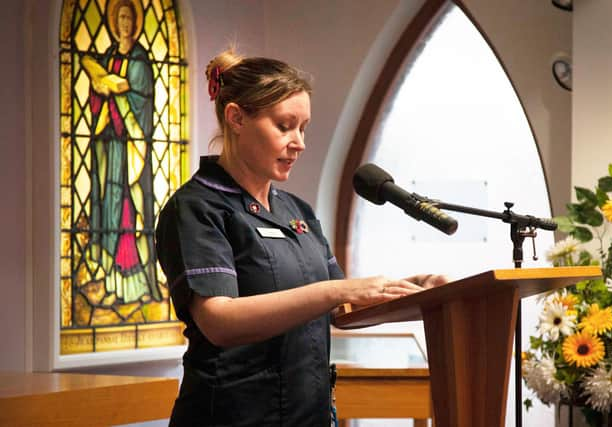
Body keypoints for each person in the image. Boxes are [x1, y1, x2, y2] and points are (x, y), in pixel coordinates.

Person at [155, 48, 447, 427]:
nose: (299, 142)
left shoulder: (297, 212)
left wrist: (418, 289)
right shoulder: (197, 208)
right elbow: (219, 321)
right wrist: (336, 291)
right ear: (236, 118)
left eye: (303, 127)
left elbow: (343, 310)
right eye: (284, 126)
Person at [85, 0, 159, 303]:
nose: (125, 23)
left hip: (131, 146)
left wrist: (119, 90)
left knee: (128, 206)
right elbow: (98, 93)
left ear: (136, 23)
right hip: (110, 142)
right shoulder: (112, 55)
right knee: (108, 203)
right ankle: (108, 278)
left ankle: (131, 283)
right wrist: (101, 86)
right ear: (115, 22)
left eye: (130, 18)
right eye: (121, 17)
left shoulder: (140, 60)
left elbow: (142, 100)